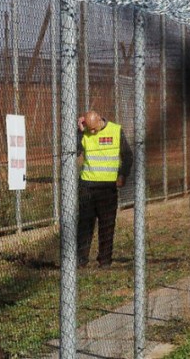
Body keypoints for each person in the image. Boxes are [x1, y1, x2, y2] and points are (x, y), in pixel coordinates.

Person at [77, 110, 133, 268]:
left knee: (107, 225)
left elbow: (128, 155)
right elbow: (74, 151)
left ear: (100, 120)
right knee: (84, 225)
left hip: (108, 187)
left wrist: (123, 174)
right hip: (87, 185)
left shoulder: (115, 130)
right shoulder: (85, 133)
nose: (92, 132)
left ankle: (105, 261)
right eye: (89, 129)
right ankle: (80, 260)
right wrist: (79, 132)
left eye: (94, 128)